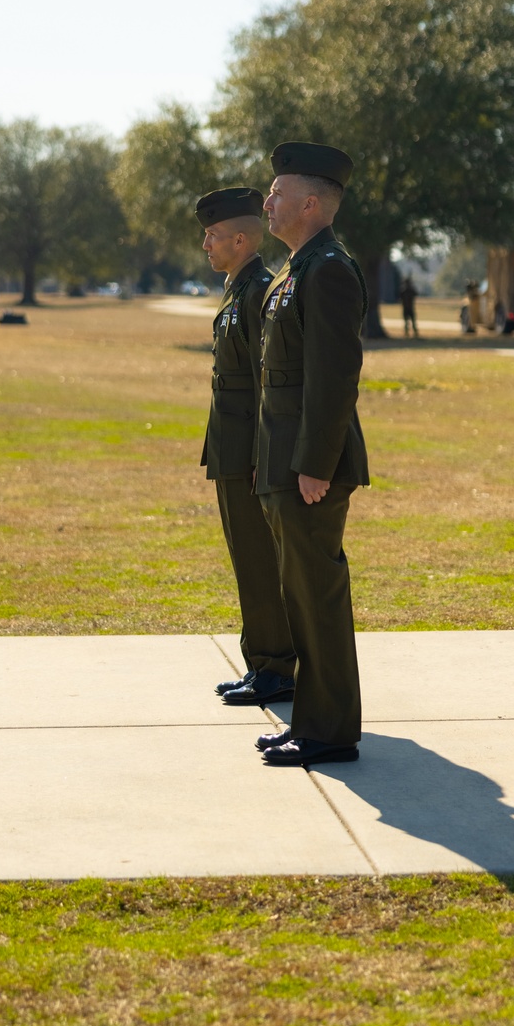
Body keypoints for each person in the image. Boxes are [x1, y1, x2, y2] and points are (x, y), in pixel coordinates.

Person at [254, 143, 369, 768]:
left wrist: (316, 466)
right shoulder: (297, 267)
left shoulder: (328, 269)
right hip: (284, 463)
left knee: (317, 596)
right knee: (300, 596)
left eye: (277, 193)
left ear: (311, 203)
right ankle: (315, 721)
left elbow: (333, 381)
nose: (266, 202)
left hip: (307, 470)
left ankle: (329, 730)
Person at [198, 188, 297, 706]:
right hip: (230, 451)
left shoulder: (258, 290)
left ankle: (277, 668)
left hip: (251, 456)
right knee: (246, 560)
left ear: (241, 239)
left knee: (260, 561)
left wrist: (263, 456)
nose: (205, 245)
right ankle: (260, 661)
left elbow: (265, 384)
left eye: (213, 236)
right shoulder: (238, 287)